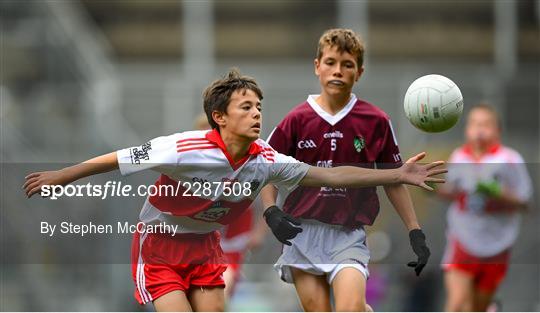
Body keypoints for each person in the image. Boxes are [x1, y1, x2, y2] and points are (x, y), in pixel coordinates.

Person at [23, 69, 445, 312]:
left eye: (260, 106)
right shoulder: (184, 148)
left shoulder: (265, 160)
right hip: (160, 247)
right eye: (246, 107)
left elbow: (331, 176)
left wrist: (396, 174)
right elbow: (117, 158)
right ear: (218, 118)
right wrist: (60, 177)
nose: (258, 113)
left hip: (206, 248)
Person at [260, 28, 432, 312]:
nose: (337, 71)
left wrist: (415, 231)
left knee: (349, 308)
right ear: (317, 66)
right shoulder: (296, 119)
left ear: (359, 72)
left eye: (347, 65)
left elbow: (394, 178)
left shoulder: (376, 121)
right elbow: (267, 170)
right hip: (301, 234)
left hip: (347, 235)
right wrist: (270, 211)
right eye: (330, 62)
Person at [437, 103, 532, 312]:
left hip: (496, 244)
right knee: (457, 303)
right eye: (474, 124)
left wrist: (499, 193)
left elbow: (525, 202)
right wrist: (430, 186)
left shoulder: (509, 159)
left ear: (497, 130)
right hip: (463, 239)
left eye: (486, 124)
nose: (479, 129)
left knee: (477, 307)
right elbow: (452, 192)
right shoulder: (459, 157)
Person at [194, 113, 267, 300]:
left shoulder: (249, 166)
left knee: (222, 286)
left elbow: (266, 203)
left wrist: (259, 232)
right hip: (199, 244)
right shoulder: (190, 167)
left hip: (232, 245)